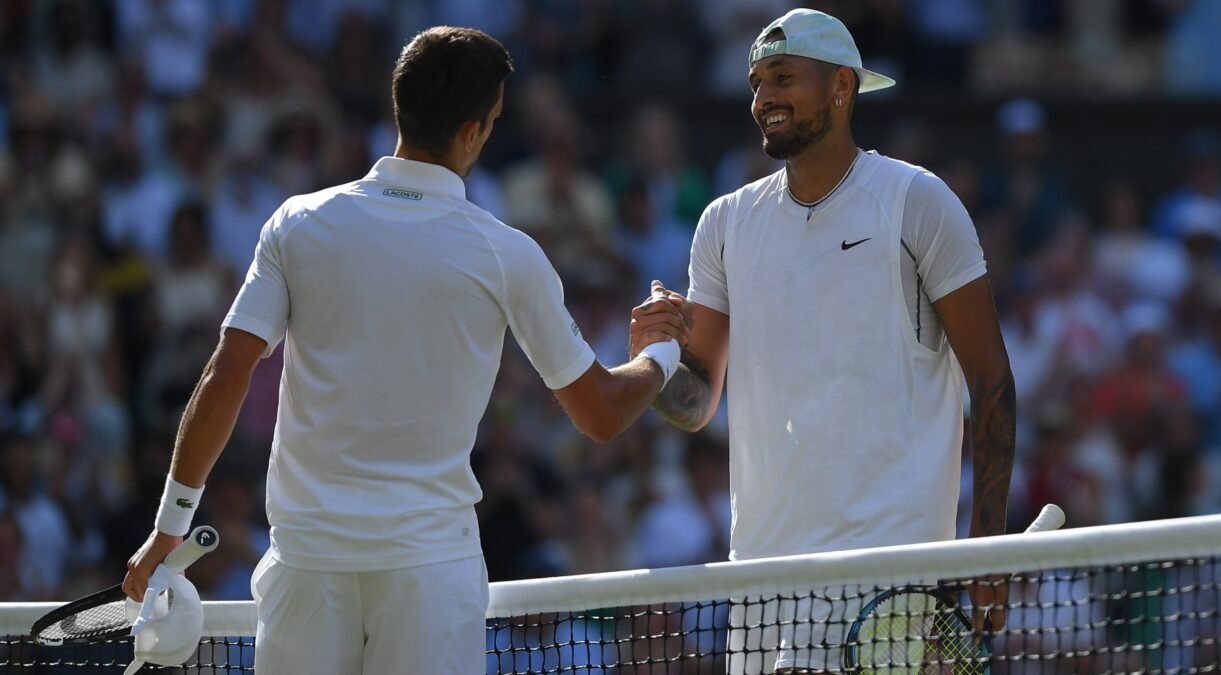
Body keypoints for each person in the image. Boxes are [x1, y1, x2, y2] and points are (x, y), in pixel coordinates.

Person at [122, 26, 688, 675]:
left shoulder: (299, 223)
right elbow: (602, 413)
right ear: (474, 130)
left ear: (401, 108)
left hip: (308, 566)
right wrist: (661, 354)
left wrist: (168, 528)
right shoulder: (507, 253)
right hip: (430, 575)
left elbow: (225, 377)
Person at [628, 8, 1015, 673]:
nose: (763, 98)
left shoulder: (917, 201)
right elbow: (694, 405)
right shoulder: (723, 223)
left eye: (782, 77)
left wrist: (985, 554)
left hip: (890, 575)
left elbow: (993, 383)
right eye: (755, 82)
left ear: (842, 87)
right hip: (760, 585)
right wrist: (656, 357)